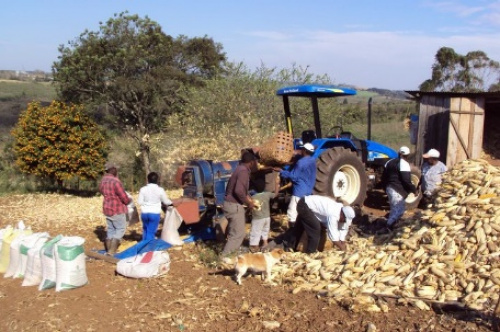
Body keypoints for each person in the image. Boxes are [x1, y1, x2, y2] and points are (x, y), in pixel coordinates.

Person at [264, 195, 356, 253]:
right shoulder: (333, 213)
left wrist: (342, 240)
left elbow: (344, 228)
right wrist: (342, 248)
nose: (343, 221)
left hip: (308, 206)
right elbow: (333, 236)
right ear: (342, 215)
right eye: (343, 219)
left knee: (298, 229)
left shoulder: (342, 213)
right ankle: (310, 253)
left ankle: (289, 247)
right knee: (315, 230)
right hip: (304, 205)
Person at [220, 151, 258, 256]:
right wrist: (248, 203)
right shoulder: (243, 172)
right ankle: (225, 258)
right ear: (251, 162)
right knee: (237, 235)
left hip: (230, 204)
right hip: (234, 205)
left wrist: (249, 199)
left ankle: (231, 254)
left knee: (235, 233)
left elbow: (242, 191)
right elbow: (239, 191)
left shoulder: (239, 168)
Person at [275, 142, 316, 229]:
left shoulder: (300, 162)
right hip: (308, 190)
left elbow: (293, 176)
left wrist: (281, 171)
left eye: (302, 149)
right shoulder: (313, 161)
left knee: (292, 212)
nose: (300, 151)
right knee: (304, 210)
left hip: (299, 192)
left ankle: (292, 231)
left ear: (305, 151)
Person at [99, 162, 132, 255]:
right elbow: (123, 197)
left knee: (111, 229)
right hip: (117, 209)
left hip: (107, 208)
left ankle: (108, 249)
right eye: (116, 169)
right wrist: (129, 201)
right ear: (113, 169)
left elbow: (101, 191)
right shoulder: (116, 181)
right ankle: (112, 250)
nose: (117, 171)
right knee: (120, 229)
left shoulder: (103, 181)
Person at [381, 146, 417, 229]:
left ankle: (390, 227)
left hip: (389, 188)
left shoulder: (389, 162)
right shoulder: (404, 164)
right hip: (397, 190)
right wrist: (413, 189)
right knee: (398, 211)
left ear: (399, 153)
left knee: (394, 209)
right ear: (407, 155)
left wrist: (385, 188)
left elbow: (383, 177)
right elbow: (406, 180)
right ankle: (389, 227)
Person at [138, 172, 175, 241]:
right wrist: (172, 203)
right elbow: (166, 202)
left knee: (145, 230)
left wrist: (147, 203)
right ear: (157, 180)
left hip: (144, 213)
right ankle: (148, 248)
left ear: (148, 179)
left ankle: (143, 245)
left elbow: (140, 202)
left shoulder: (142, 189)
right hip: (154, 213)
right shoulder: (160, 190)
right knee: (151, 232)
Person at [248, 176, 279, 253]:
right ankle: (265, 244)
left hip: (257, 218)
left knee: (255, 232)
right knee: (265, 231)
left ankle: (255, 247)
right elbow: (275, 194)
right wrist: (277, 185)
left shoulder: (252, 196)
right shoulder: (267, 194)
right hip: (267, 217)